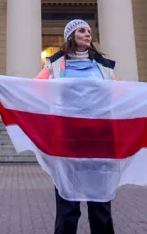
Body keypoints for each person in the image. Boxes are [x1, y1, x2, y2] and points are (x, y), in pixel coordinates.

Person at [36, 19, 116, 234]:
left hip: (98, 140)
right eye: (82, 31)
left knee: (100, 203)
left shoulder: (104, 67)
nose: (88, 34)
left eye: (89, 31)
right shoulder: (53, 65)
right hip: (67, 139)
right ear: (71, 36)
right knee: (67, 203)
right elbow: (35, 89)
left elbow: (117, 95)